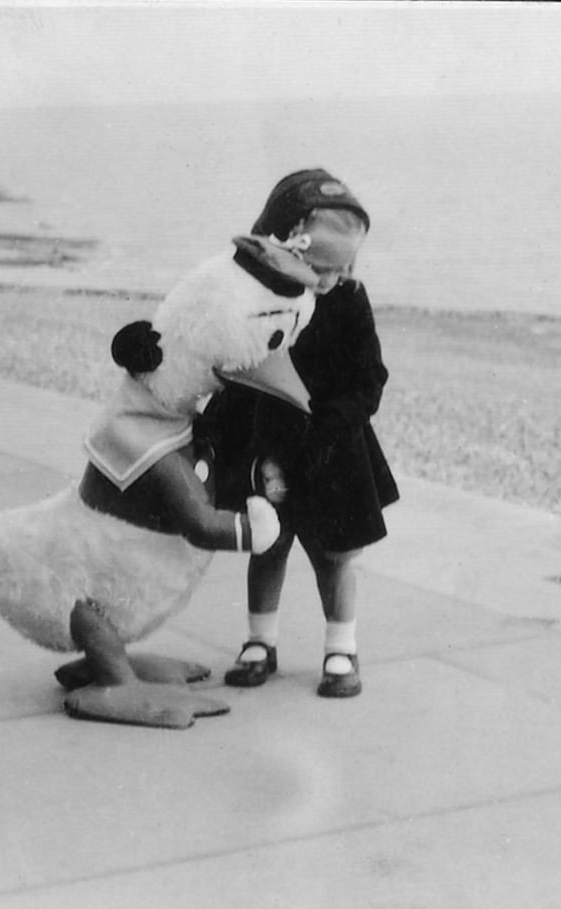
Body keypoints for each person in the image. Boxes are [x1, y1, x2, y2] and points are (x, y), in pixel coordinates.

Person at [201, 168, 399, 698]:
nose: (329, 281)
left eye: (340, 270)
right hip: (267, 443)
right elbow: (235, 363)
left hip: (334, 446)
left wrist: (337, 421)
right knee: (269, 542)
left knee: (335, 554)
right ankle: (260, 640)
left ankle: (341, 647)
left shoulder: (349, 301)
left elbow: (370, 378)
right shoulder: (261, 303)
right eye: (318, 269)